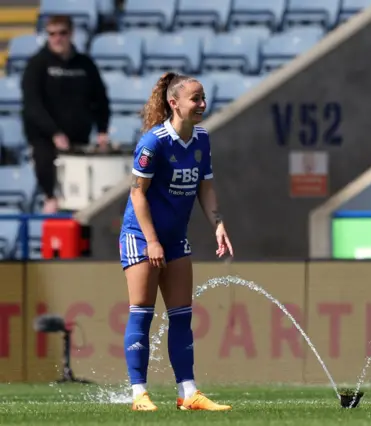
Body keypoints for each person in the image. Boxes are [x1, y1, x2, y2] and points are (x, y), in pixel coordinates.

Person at [118, 71, 234, 412]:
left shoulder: (201, 140)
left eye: (202, 98)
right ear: (174, 103)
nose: (202, 104)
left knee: (182, 315)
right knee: (142, 312)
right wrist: (151, 242)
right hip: (141, 236)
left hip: (174, 238)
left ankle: (188, 393)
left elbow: (206, 186)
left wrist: (218, 224)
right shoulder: (154, 142)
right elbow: (138, 195)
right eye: (195, 99)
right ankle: (138, 393)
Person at [21, 15, 110, 214]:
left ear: (71, 34)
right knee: (53, 196)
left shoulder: (85, 64)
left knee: (78, 195)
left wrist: (102, 129)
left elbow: (100, 99)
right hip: (45, 139)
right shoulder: (37, 64)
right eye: (52, 34)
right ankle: (50, 217)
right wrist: (54, 132)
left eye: (62, 33)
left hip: (78, 137)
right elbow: (32, 104)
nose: (57, 38)